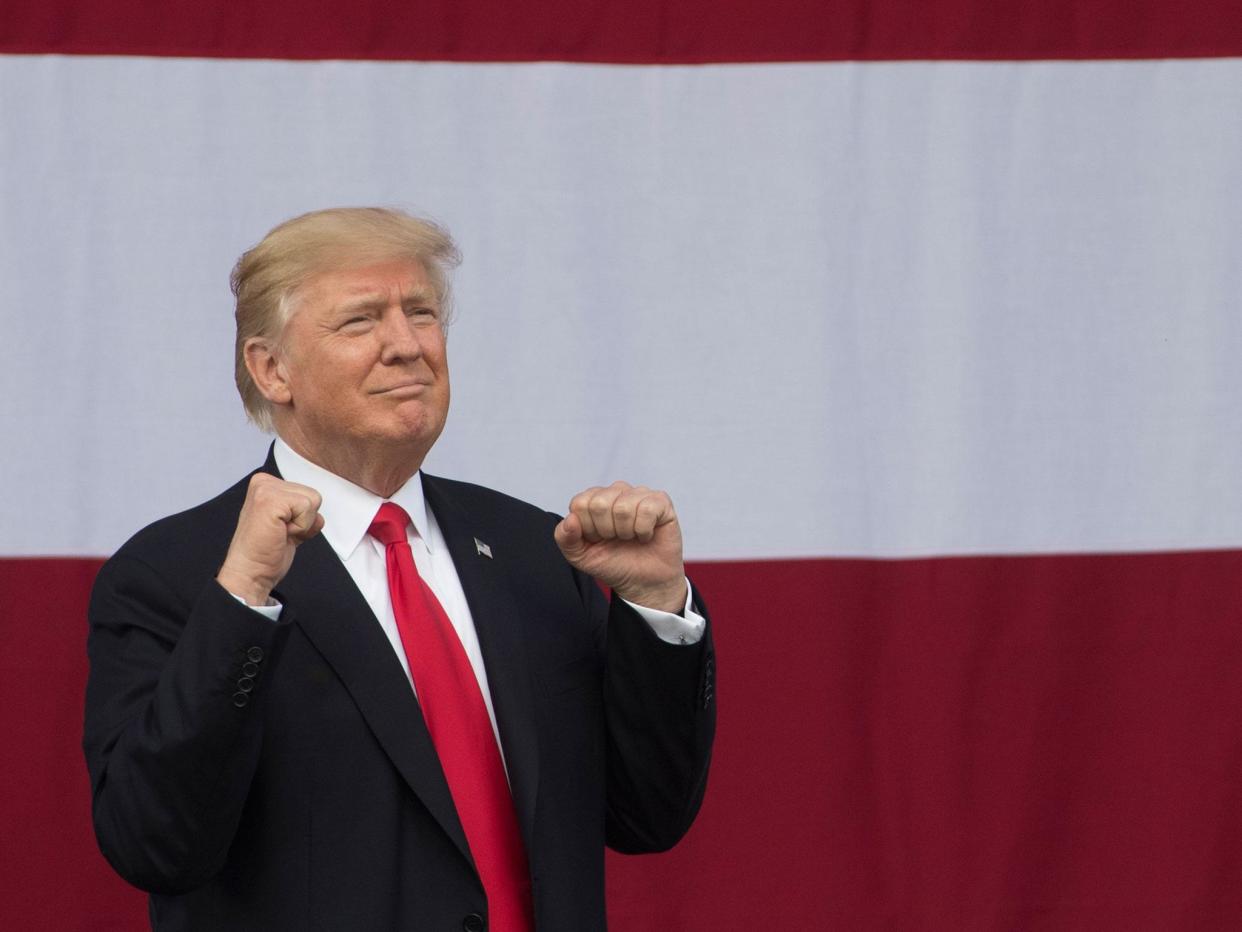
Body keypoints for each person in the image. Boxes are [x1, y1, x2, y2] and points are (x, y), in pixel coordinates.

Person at [83, 208, 716, 932]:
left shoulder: (536, 551)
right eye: (360, 322)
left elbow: (648, 815)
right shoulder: (179, 574)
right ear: (272, 369)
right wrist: (243, 600)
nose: (407, 345)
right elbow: (155, 844)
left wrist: (657, 604)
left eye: (420, 312)